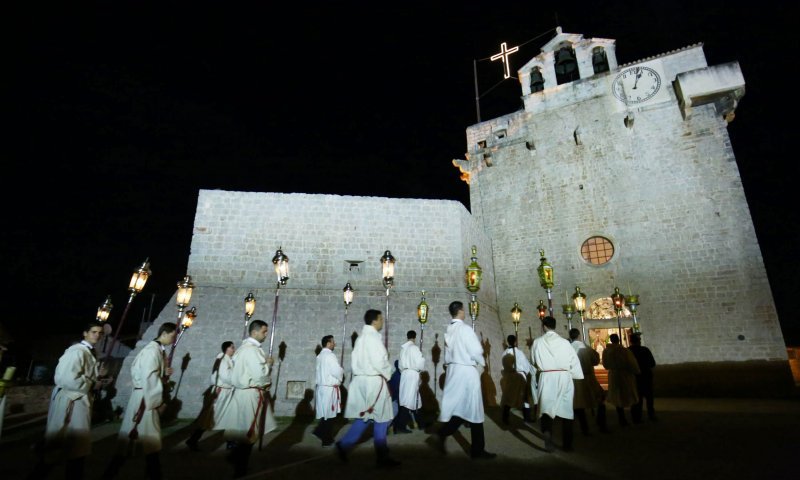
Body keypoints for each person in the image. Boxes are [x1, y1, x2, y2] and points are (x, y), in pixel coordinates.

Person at [27, 321, 104, 480]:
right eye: (94, 332)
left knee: (75, 448)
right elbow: (65, 378)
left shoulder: (89, 352)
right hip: (71, 401)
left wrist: (98, 378)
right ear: (85, 333)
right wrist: (91, 383)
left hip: (79, 401)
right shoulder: (76, 352)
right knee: (63, 445)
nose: (97, 335)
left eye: (99, 333)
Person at [101, 322, 177, 480]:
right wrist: (158, 402)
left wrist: (163, 373)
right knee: (147, 441)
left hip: (145, 397)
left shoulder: (156, 351)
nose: (173, 340)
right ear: (164, 333)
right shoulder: (152, 351)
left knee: (146, 442)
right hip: (146, 399)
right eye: (172, 336)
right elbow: (148, 378)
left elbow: (150, 374)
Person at [428, 301, 496, 459]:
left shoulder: (449, 330)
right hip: (466, 371)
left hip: (453, 371)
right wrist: (482, 360)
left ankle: (443, 433)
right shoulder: (465, 329)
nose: (465, 312)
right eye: (464, 310)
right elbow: (476, 350)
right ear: (460, 311)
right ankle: (477, 450)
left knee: (460, 408)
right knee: (474, 409)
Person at [335, 309, 400, 468]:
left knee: (366, 416)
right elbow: (380, 362)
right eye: (381, 319)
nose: (382, 322)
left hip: (362, 381)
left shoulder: (361, 338)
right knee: (382, 417)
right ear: (375, 320)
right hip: (374, 382)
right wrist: (389, 372)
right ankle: (382, 456)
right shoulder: (372, 338)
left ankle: (344, 445)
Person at [217, 319, 276, 478]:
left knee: (246, 432)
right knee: (249, 434)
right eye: (264, 332)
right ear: (255, 332)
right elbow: (260, 375)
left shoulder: (244, 349)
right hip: (250, 394)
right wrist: (269, 365)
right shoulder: (251, 350)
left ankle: (237, 461)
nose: (265, 335)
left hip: (244, 393)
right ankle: (239, 467)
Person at [531, 316, 583, 452]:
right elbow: (574, 361)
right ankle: (567, 444)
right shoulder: (565, 343)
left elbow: (533, 360)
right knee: (567, 411)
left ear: (544, 326)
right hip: (564, 377)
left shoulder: (537, 342)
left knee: (546, 409)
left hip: (547, 376)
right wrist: (575, 375)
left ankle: (548, 439)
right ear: (555, 326)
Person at [185, 340, 236, 451]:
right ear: (226, 348)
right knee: (209, 417)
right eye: (232, 347)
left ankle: (230, 442)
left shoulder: (227, 360)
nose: (233, 349)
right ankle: (193, 439)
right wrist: (237, 379)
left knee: (230, 416)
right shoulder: (222, 360)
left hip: (226, 392)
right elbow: (225, 376)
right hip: (220, 392)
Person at [568, 328, 608, 435]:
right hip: (588, 378)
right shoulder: (585, 348)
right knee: (600, 401)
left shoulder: (568, 349)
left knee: (578, 405)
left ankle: (584, 428)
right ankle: (602, 424)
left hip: (575, 380)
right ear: (579, 336)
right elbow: (595, 361)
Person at [602, 333, 640, 427]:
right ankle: (635, 418)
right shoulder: (624, 350)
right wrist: (636, 371)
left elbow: (605, 365)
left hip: (614, 375)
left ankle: (621, 418)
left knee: (618, 397)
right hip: (625, 375)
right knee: (630, 394)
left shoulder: (606, 351)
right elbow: (631, 363)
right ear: (618, 340)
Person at [312, 335, 344, 446]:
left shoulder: (320, 356)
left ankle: (319, 431)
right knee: (329, 414)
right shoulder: (330, 356)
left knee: (325, 412)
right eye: (333, 342)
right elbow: (336, 371)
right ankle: (326, 439)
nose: (334, 344)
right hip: (329, 389)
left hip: (322, 387)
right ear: (328, 343)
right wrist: (341, 372)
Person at [393, 330, 425, 433]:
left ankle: (421, 423)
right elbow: (420, 362)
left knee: (415, 399)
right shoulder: (414, 348)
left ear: (407, 337)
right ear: (414, 337)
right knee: (408, 400)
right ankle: (400, 426)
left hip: (405, 374)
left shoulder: (403, 350)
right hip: (412, 374)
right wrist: (419, 368)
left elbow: (400, 365)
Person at [500, 334, 534, 424]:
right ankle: (527, 417)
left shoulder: (505, 353)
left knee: (509, 397)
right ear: (515, 341)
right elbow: (526, 366)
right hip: (520, 376)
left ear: (508, 341)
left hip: (509, 376)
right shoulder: (519, 352)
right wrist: (526, 372)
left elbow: (503, 366)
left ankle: (505, 418)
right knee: (524, 397)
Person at [628, 333, 657, 423]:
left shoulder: (627, 351)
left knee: (637, 399)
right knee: (649, 398)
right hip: (646, 376)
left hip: (634, 378)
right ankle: (651, 415)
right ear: (638, 341)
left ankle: (637, 417)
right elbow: (652, 363)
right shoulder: (645, 350)